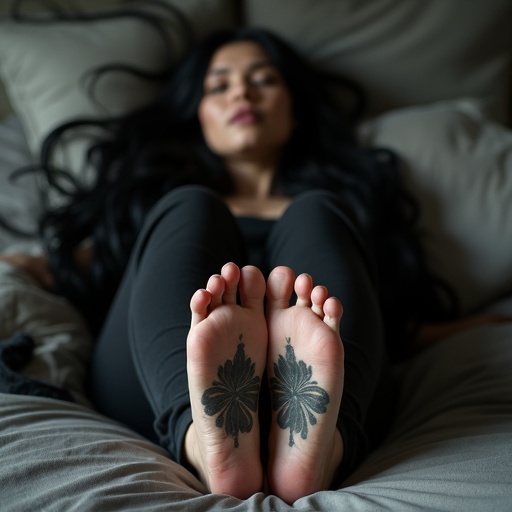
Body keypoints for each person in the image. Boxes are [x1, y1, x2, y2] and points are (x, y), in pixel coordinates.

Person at [3, 26, 491, 503]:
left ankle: (320, 446)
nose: (242, 91)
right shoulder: (155, 206)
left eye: (263, 80)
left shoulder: (338, 209)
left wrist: (490, 324)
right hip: (159, 385)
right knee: (191, 204)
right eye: (219, 85)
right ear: (197, 116)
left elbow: (396, 323)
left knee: (316, 209)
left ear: (295, 109)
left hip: (338, 386)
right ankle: (201, 440)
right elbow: (61, 272)